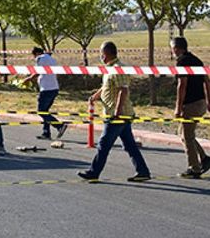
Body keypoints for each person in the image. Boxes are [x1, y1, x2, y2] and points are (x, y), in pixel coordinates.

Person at [77, 41, 152, 182]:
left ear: (108, 53)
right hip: (116, 113)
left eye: (102, 54)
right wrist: (94, 97)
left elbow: (123, 90)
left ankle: (94, 172)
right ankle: (143, 171)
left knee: (104, 144)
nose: (101, 57)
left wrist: (117, 111)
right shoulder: (109, 68)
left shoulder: (118, 68)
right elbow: (106, 87)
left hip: (117, 114)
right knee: (130, 145)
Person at [171, 37, 210, 178]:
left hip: (190, 104)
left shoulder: (182, 62)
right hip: (201, 102)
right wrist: (209, 101)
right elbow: (207, 81)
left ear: (177, 48)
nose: (172, 51)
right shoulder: (197, 60)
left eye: (172, 48)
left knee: (186, 136)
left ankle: (194, 168)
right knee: (185, 134)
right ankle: (204, 158)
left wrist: (178, 108)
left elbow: (182, 85)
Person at [23, 47, 68, 140]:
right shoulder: (51, 59)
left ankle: (59, 126)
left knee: (41, 111)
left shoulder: (41, 58)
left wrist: (28, 78)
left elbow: (38, 72)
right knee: (45, 111)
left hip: (46, 89)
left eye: (34, 55)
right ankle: (46, 132)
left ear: (37, 53)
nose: (34, 58)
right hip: (54, 88)